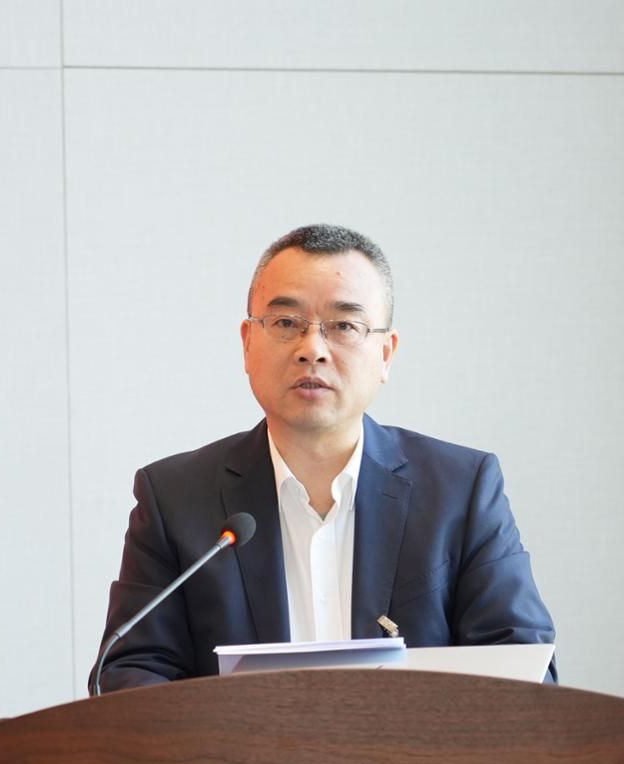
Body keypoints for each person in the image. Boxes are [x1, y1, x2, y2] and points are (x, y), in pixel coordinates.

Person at [91, 224, 555, 691]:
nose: (311, 349)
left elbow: (524, 669)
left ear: (386, 353)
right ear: (247, 343)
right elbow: (132, 672)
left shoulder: (460, 490)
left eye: (344, 326)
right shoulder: (175, 499)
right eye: (285, 323)